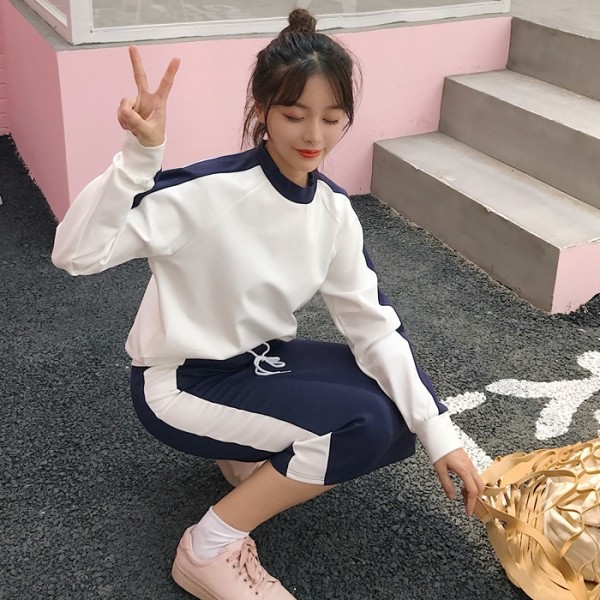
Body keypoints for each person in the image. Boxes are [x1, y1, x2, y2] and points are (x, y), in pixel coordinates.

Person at [52, 8, 485, 600]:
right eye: (294, 115)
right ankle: (207, 548)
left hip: (255, 363)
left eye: (332, 118)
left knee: (397, 415)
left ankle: (245, 460)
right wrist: (138, 157)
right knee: (363, 426)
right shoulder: (209, 193)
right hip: (181, 382)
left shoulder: (333, 212)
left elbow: (375, 328)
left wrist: (440, 434)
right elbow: (76, 254)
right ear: (261, 109)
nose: (314, 137)